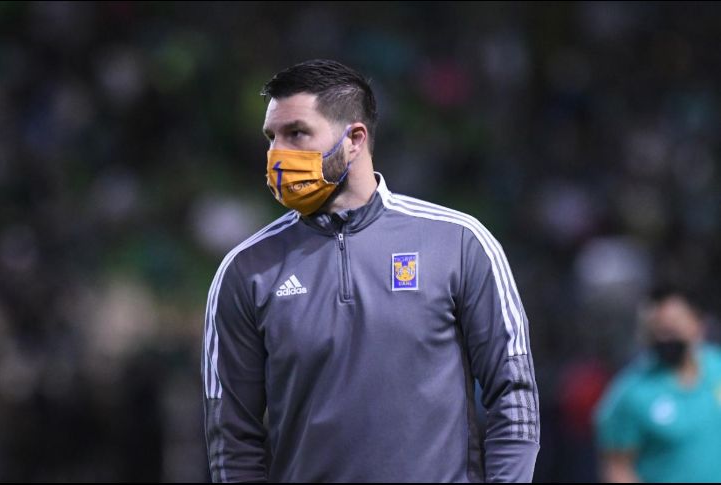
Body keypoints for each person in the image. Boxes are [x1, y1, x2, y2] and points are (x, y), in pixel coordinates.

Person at [202, 59, 540, 482]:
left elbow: (514, 396)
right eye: (272, 138)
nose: (277, 155)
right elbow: (231, 437)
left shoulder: (459, 243)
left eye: (297, 134)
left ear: (355, 139)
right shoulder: (245, 270)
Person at [594, 288, 721, 482]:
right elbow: (617, 466)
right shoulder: (631, 392)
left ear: (698, 325)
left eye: (673, 330)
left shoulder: (717, 367)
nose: (665, 339)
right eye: (657, 331)